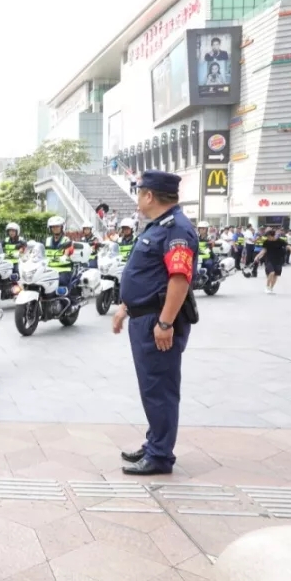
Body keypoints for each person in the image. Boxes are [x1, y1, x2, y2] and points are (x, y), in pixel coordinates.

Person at [113, 170, 198, 476]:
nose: (138, 199)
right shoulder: (160, 226)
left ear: (149, 195)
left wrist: (164, 323)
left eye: (139, 193)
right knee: (152, 387)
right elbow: (149, 275)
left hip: (157, 320)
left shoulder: (177, 230)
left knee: (159, 388)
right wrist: (125, 307)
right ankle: (154, 443)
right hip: (144, 317)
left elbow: (179, 279)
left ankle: (160, 455)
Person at [44, 216, 76, 296]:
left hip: (63, 270)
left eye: (57, 226)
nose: (55, 228)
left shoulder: (66, 240)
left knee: (61, 284)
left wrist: (64, 256)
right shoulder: (47, 240)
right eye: (53, 227)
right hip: (49, 269)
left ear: (62, 227)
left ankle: (66, 301)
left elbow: (67, 250)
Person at [254, 227, 287, 294]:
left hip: (278, 260)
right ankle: (267, 287)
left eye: (268, 237)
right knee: (271, 273)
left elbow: (289, 246)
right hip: (269, 259)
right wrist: (257, 256)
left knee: (275, 275)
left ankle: (271, 288)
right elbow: (264, 250)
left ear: (272, 236)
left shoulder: (280, 241)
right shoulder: (266, 242)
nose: (267, 238)